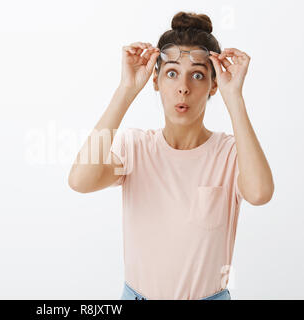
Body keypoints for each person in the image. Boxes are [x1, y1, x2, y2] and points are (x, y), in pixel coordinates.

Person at [68, 11, 274, 300]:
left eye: (198, 75)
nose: (183, 88)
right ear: (156, 81)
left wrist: (234, 98)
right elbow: (80, 180)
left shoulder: (229, 153)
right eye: (172, 72)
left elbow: (260, 193)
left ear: (213, 85)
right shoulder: (135, 147)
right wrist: (126, 90)